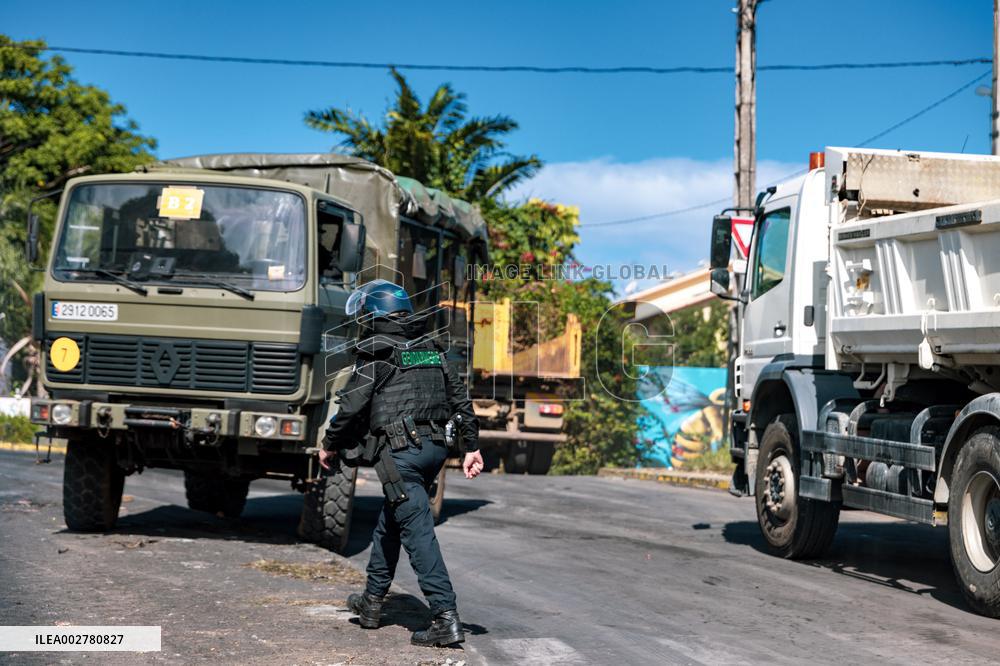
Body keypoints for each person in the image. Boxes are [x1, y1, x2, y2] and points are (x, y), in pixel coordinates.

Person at [318, 279, 484, 648]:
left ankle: (445, 617)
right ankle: (372, 603)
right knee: (389, 524)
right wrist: (471, 448)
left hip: (401, 455)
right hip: (434, 452)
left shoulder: (375, 354)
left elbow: (350, 408)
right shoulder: (431, 349)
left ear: (374, 315)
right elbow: (461, 400)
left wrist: (329, 444)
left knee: (417, 532)